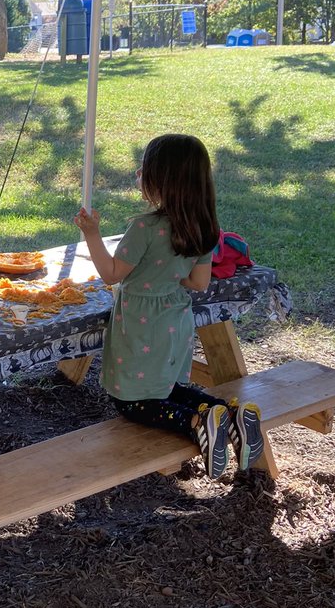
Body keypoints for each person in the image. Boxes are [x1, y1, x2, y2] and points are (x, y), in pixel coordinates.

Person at [73, 134, 264, 478]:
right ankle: (230, 414)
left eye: (144, 167)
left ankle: (195, 422)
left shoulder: (144, 227)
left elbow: (111, 274)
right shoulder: (205, 228)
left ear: (159, 179)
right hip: (177, 322)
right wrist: (171, 274)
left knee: (132, 400)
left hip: (142, 324)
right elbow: (199, 283)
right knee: (167, 387)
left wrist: (92, 234)